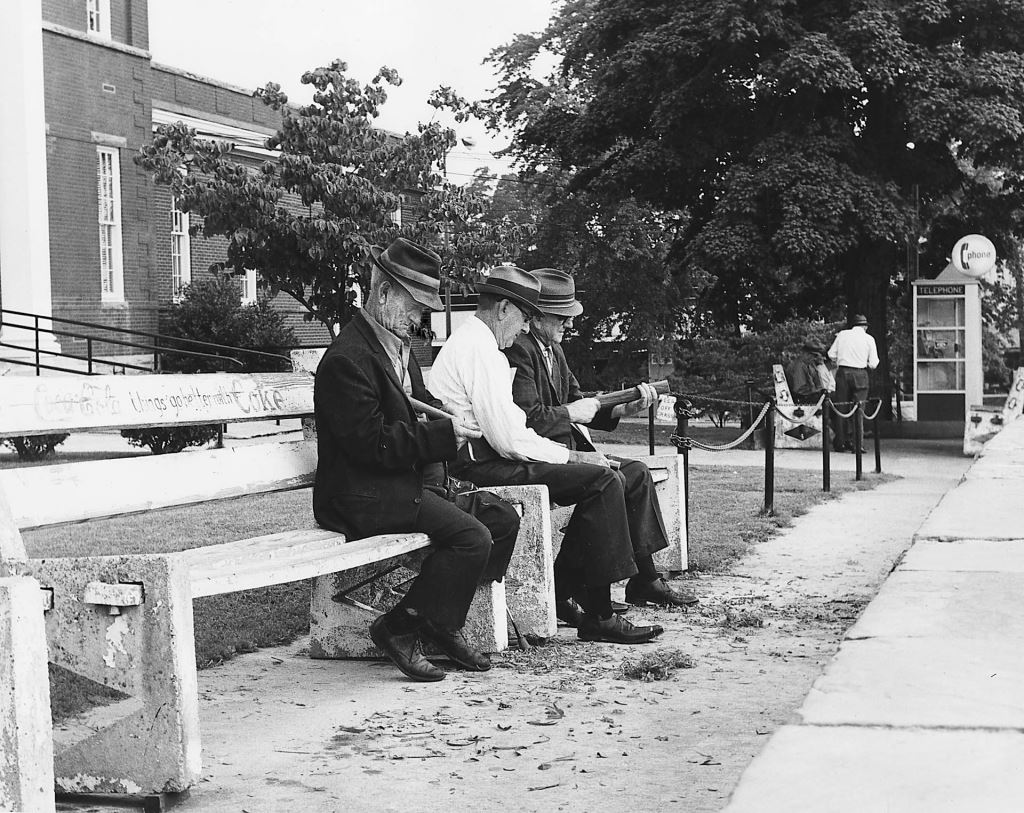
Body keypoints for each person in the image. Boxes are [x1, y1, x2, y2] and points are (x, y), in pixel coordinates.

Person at [313, 238, 521, 682]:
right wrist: (443, 436)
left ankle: (441, 621)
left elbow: (420, 406)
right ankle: (398, 627)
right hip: (359, 494)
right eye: (415, 305)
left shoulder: (396, 347)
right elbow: (372, 446)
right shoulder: (346, 360)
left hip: (398, 486)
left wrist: (452, 420)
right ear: (384, 294)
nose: (420, 317)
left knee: (502, 520)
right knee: (472, 537)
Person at [428, 265, 665, 645]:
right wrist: (572, 459)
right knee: (602, 481)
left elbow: (518, 430)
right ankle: (596, 613)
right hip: (475, 466)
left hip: (483, 457)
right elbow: (510, 438)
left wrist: (578, 453)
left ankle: (578, 595)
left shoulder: (478, 343)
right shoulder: (480, 349)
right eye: (524, 316)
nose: (524, 327)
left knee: (604, 478)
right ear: (503, 309)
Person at [501, 268, 698, 625]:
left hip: (564, 452)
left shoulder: (551, 349)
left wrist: (625, 407)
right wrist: (573, 413)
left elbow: (580, 403)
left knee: (635, 474)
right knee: (610, 481)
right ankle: (575, 591)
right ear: (538, 314)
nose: (570, 325)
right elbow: (530, 420)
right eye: (564, 317)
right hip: (542, 454)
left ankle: (645, 579)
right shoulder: (518, 349)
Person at [827, 314, 879, 452]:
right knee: (858, 409)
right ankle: (857, 445)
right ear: (865, 327)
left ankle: (840, 442)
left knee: (841, 408)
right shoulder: (869, 339)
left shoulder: (843, 335)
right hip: (860, 374)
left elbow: (831, 354)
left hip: (843, 373)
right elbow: (873, 364)